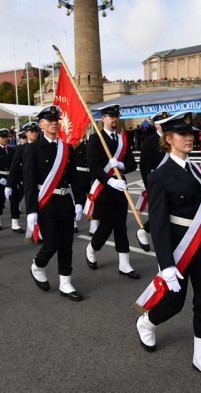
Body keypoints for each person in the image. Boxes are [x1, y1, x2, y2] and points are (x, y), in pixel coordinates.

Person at [134, 111, 201, 385]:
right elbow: (159, 223)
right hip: (177, 249)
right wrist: (167, 264)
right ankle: (147, 322)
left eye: (192, 134)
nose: (190, 138)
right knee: (173, 303)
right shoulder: (159, 176)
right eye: (183, 134)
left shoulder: (196, 169)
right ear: (168, 138)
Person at [24, 106, 85, 302]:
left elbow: (74, 177)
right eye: (49, 120)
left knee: (67, 244)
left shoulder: (66, 148)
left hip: (65, 200)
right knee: (51, 244)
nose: (53, 123)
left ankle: (65, 282)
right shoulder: (32, 149)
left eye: (55, 120)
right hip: (46, 202)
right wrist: (31, 210)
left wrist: (79, 202)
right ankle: (38, 265)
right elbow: (30, 182)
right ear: (41, 125)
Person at [84, 104, 140, 279]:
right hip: (103, 189)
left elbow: (132, 164)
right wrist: (109, 180)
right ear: (103, 118)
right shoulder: (95, 139)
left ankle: (124, 264)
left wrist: (122, 165)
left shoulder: (123, 139)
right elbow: (93, 166)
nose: (115, 119)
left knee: (121, 227)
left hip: (120, 190)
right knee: (106, 226)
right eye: (111, 116)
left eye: (116, 116)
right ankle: (92, 248)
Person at [137, 111, 172, 251]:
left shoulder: (172, 138)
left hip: (171, 181)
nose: (165, 125)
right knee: (160, 213)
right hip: (156, 183)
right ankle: (144, 231)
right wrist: (149, 186)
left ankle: (146, 231)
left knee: (170, 212)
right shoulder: (149, 141)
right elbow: (144, 167)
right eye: (162, 123)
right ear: (156, 125)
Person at [5, 124, 40, 235]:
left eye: (35, 131)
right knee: (28, 204)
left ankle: (39, 230)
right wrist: (9, 184)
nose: (34, 133)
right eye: (31, 131)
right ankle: (31, 231)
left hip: (42, 182)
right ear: (26, 133)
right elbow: (15, 166)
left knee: (41, 206)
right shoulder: (21, 148)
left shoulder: (42, 146)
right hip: (26, 180)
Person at [0, 128, 22, 233]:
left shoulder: (12, 150)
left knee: (15, 201)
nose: (5, 139)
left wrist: (17, 178)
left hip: (11, 178)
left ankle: (15, 223)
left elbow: (16, 165)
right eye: (2, 137)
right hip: (0, 179)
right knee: (0, 201)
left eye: (6, 136)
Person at [72, 131, 99, 235]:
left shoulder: (91, 142)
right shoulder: (74, 144)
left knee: (93, 200)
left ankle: (93, 225)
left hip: (91, 175)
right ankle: (73, 222)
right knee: (79, 201)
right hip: (79, 174)